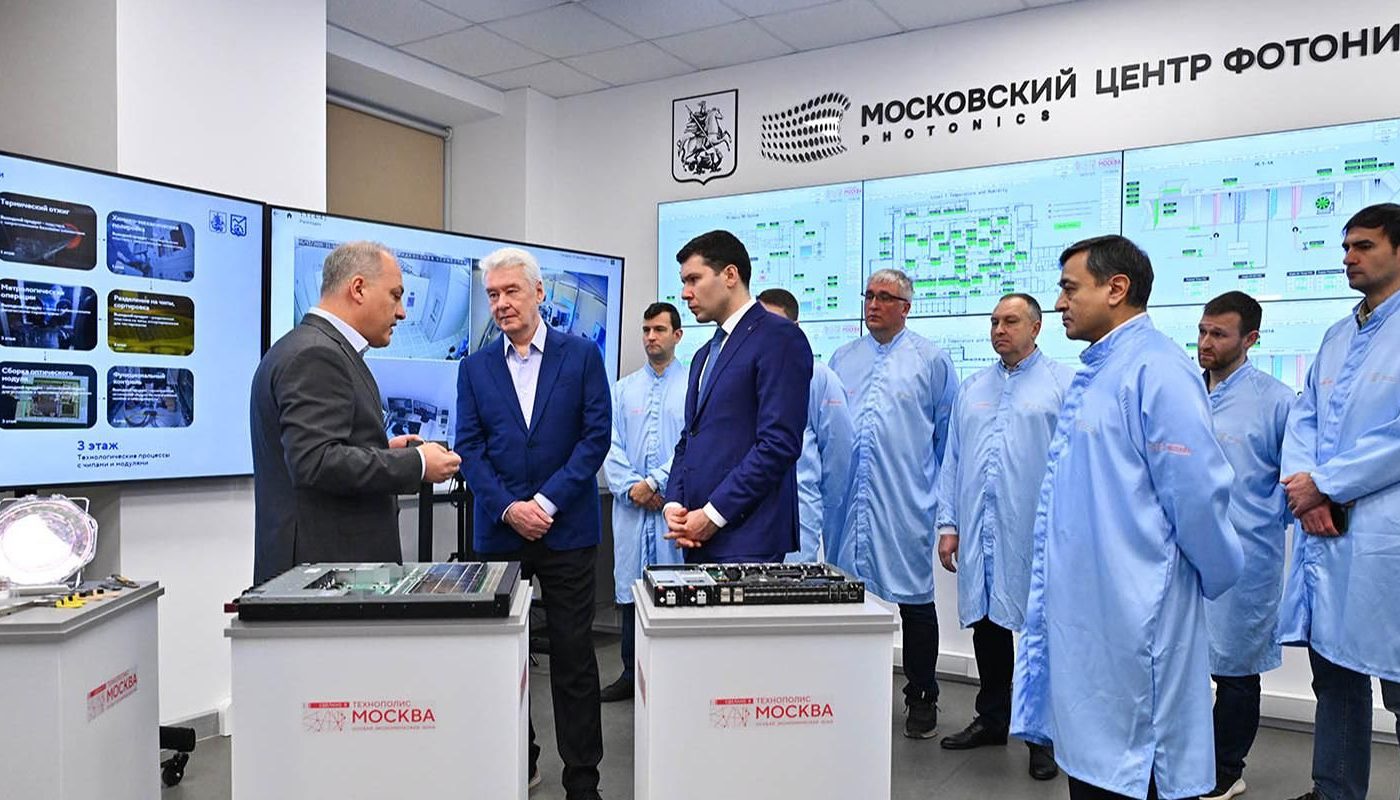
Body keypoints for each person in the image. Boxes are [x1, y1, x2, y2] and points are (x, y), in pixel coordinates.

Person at [1010, 234, 1243, 800]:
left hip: (1138, 611)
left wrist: (1217, 573)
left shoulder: (1158, 369)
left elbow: (1197, 495)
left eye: (1070, 289)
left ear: (1116, 289)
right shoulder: (1101, 370)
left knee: (1136, 768)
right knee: (1095, 767)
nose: (1059, 303)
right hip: (1095, 612)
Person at [454, 247, 610, 800]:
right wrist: (508, 508)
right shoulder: (475, 368)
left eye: (511, 291)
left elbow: (595, 438)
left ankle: (582, 781)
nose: (501, 303)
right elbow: (470, 448)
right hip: (501, 532)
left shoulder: (581, 356)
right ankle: (519, 762)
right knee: (503, 657)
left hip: (567, 531)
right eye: (492, 294)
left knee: (573, 657)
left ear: (539, 293)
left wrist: (544, 502)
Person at [1278, 202, 1400, 800]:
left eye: (1365, 246)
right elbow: (1304, 417)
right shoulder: (1336, 336)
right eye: (1346, 246)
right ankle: (1335, 791)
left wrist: (1328, 483)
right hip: (1326, 530)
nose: (1349, 257)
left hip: (1383, 536)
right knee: (1335, 676)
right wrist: (1308, 490)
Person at [250, 241, 460, 585]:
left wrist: (383, 451)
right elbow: (316, 462)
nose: (402, 312)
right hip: (326, 577)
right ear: (358, 288)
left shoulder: (307, 346)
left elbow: (317, 450)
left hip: (327, 574)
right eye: (395, 296)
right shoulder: (316, 355)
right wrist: (418, 463)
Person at [934, 292, 1073, 780]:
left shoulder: (1062, 384)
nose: (999, 330)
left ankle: (1042, 736)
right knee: (988, 626)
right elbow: (952, 461)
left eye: (1010, 321)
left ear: (1036, 327)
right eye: (994, 321)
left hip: (1038, 530)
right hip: (980, 527)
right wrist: (949, 525)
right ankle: (993, 719)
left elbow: (1076, 463)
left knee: (1038, 632)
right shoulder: (973, 387)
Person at [828, 268, 958, 740]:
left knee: (914, 601)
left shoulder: (931, 360)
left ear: (906, 307)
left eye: (885, 297)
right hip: (847, 502)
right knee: (846, 599)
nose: (874, 304)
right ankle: (849, 693)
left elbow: (948, 440)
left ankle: (922, 695)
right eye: (869, 296)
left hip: (905, 499)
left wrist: (943, 508)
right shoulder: (842, 358)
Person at [1194, 291, 1295, 800]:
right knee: (1179, 661)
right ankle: (1184, 759)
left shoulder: (1276, 401)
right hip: (1183, 554)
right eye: (1203, 331)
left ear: (1250, 339)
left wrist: (1260, 524)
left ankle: (1226, 768)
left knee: (1235, 670)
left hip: (1246, 554)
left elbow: (1294, 480)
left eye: (1219, 334)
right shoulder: (1184, 391)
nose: (1206, 342)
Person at [662, 230, 812, 562]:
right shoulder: (703, 355)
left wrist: (713, 515)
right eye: (684, 282)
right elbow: (690, 439)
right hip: (697, 537)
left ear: (730, 275)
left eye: (694, 279)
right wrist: (674, 503)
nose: (685, 293)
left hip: (750, 541)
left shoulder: (779, 338)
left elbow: (779, 444)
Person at [600, 302, 687, 703]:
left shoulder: (694, 386)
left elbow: (691, 445)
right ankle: (629, 673)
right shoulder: (623, 389)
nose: (651, 337)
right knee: (631, 592)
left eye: (660, 330)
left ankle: (673, 677)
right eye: (646, 330)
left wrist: (655, 482)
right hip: (631, 510)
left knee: (676, 589)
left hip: (674, 507)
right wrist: (634, 488)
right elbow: (609, 444)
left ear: (677, 335)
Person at [754, 287, 854, 564]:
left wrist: (821, 502)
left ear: (795, 328)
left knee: (792, 587)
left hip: (798, 513)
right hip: (745, 517)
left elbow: (839, 450)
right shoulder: (745, 373)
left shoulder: (818, 377)